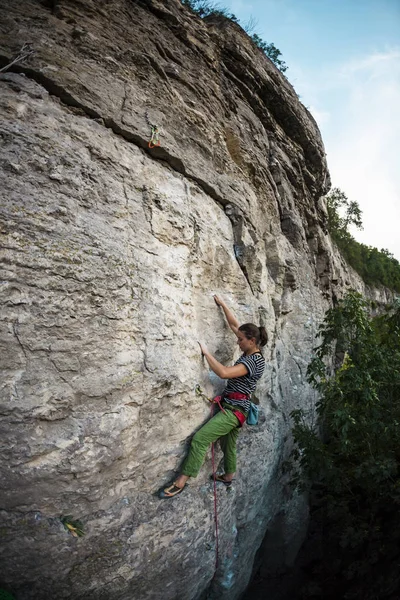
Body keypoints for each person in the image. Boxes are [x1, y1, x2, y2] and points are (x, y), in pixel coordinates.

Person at [159, 295, 267, 498]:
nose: (238, 341)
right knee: (229, 445)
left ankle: (181, 482)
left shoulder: (255, 362)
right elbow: (235, 325)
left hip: (234, 411)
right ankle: (228, 476)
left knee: (200, 439)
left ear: (251, 341)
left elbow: (225, 373)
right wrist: (223, 305)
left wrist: (206, 353)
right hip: (235, 407)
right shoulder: (251, 349)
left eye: (241, 340)